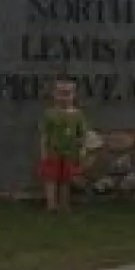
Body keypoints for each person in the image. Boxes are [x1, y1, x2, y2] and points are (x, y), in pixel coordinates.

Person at [38, 78, 88, 212]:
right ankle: (51, 205)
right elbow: (44, 134)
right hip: (52, 151)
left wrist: (82, 148)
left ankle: (64, 204)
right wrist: (43, 152)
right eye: (60, 93)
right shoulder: (50, 114)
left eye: (67, 93)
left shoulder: (78, 114)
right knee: (51, 179)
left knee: (66, 180)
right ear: (54, 94)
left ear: (73, 95)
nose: (64, 97)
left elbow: (82, 134)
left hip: (70, 152)